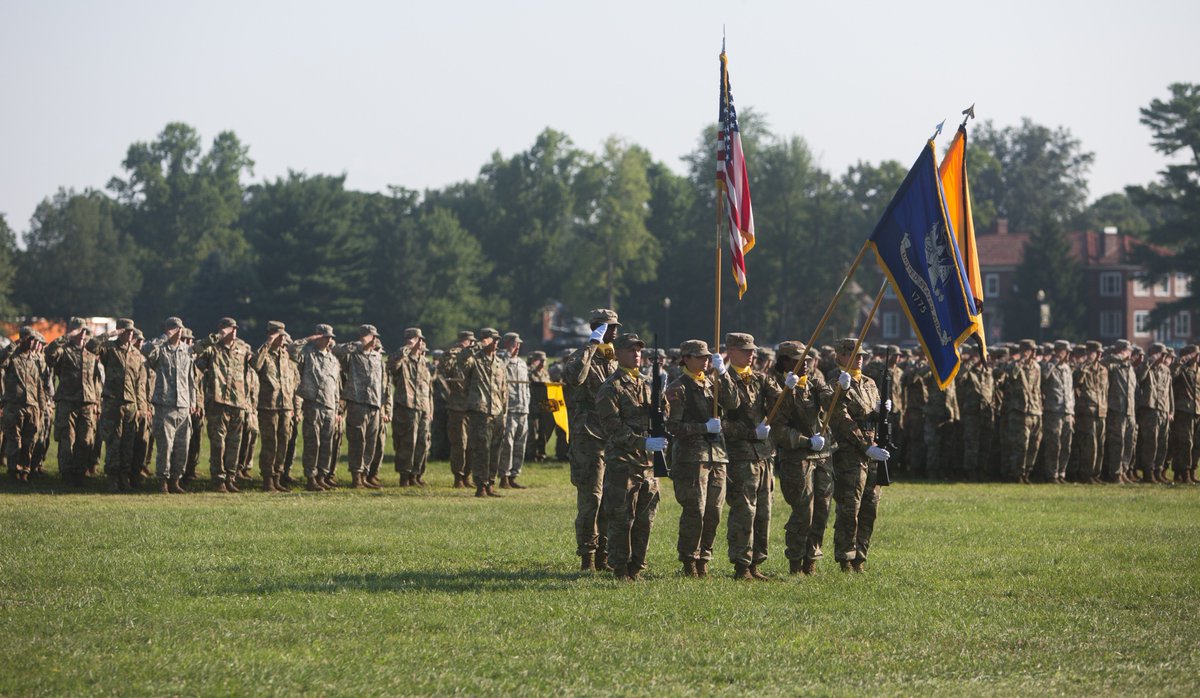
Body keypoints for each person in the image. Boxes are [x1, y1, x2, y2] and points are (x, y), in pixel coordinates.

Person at [664, 339, 738, 578]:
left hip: (717, 456)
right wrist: (702, 428)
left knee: (714, 512)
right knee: (695, 509)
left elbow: (734, 402)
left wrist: (724, 373)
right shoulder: (678, 388)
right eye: (700, 357)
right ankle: (689, 560)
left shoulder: (713, 384)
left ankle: (704, 557)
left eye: (708, 357)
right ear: (686, 358)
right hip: (691, 458)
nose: (706, 361)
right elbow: (673, 426)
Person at [596, 333, 665, 581]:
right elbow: (612, 427)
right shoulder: (610, 387)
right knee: (622, 518)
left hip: (647, 463)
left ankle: (637, 565)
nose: (637, 354)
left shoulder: (646, 383)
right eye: (631, 350)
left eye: (639, 350)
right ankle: (620, 567)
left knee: (645, 519)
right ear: (618, 353)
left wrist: (661, 398)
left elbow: (660, 414)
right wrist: (642, 441)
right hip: (623, 462)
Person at [561, 309, 621, 571]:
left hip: (611, 438)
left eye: (616, 325)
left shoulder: (613, 360)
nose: (615, 330)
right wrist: (591, 346)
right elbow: (575, 378)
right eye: (609, 326)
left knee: (610, 498)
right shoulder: (581, 356)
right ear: (597, 328)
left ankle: (603, 556)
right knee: (591, 499)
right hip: (588, 437)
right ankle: (587, 556)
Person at [768, 341, 834, 575]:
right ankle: (796, 561)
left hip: (822, 455)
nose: (805, 364)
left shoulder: (815, 379)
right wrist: (806, 441)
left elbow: (828, 399)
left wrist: (841, 389)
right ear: (784, 361)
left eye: (806, 360)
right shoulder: (774, 383)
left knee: (822, 510)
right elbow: (777, 428)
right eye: (798, 360)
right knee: (803, 511)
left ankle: (812, 559)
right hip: (797, 457)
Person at [721, 332, 781, 580]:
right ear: (731, 351)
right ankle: (741, 565)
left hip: (764, 455)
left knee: (764, 512)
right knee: (744, 511)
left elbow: (782, 403)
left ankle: (756, 562)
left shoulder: (760, 379)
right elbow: (726, 415)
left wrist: (790, 386)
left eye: (753, 350)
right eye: (746, 350)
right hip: (741, 455)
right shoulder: (721, 380)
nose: (752, 354)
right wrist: (750, 432)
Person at [827, 337, 889, 572]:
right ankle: (845, 557)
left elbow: (875, 415)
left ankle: (860, 557)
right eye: (854, 354)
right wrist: (865, 446)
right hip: (850, 453)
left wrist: (884, 410)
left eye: (862, 355)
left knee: (870, 507)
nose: (860, 358)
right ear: (841, 356)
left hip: (873, 452)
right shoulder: (836, 384)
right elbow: (841, 420)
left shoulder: (870, 383)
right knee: (849, 508)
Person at [88, 319, 150, 492]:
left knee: (128, 443)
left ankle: (125, 478)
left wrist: (141, 407)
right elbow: (91, 346)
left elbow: (140, 384)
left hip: (131, 404)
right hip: (113, 402)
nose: (130, 334)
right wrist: (110, 334)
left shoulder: (137, 355)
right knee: (114, 441)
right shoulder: (109, 348)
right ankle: (112, 479)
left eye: (132, 331)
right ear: (120, 331)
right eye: (127, 331)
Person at [193, 318, 253, 493]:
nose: (233, 331)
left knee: (234, 443)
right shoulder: (212, 348)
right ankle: (218, 479)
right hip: (217, 402)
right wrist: (217, 336)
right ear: (221, 329)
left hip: (238, 402)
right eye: (229, 328)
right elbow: (196, 352)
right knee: (218, 444)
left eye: (235, 328)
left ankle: (230, 478)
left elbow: (254, 366)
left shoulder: (243, 348)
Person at [141, 317, 198, 494]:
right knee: (165, 447)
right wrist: (164, 337)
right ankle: (163, 481)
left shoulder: (186, 351)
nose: (178, 330)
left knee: (183, 447)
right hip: (164, 404)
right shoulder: (160, 349)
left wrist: (193, 402)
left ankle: (175, 480)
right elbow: (146, 350)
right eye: (174, 327)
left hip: (183, 405)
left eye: (180, 327)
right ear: (166, 328)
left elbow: (190, 379)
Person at [44, 318, 102, 487]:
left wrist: (96, 402)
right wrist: (66, 336)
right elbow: (49, 353)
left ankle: (80, 472)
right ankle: (67, 473)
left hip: (87, 402)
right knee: (67, 439)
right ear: (72, 331)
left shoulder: (90, 352)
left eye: (85, 330)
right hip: (67, 401)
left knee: (85, 440)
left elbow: (96, 379)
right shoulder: (64, 350)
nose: (83, 334)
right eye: (79, 330)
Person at [334, 324, 391, 489]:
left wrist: (383, 405)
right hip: (357, 402)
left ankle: (365, 474)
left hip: (374, 404)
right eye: (372, 337)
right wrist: (358, 344)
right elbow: (336, 351)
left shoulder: (377, 357)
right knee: (357, 441)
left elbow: (382, 383)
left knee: (371, 442)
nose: (375, 340)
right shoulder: (352, 355)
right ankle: (356, 476)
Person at [290, 324, 342, 491]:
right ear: (318, 337)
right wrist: (308, 339)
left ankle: (322, 475)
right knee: (313, 443)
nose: (329, 340)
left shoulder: (333, 359)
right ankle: (311, 477)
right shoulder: (308, 354)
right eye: (326, 337)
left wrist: (336, 408)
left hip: (329, 407)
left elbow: (335, 386)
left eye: (331, 337)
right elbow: (292, 350)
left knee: (327, 444)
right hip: (313, 404)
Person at [252, 321, 299, 492]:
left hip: (285, 406)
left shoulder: (285, 356)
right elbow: (255, 365)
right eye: (278, 336)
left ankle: (277, 477)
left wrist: (293, 405)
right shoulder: (264, 354)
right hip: (268, 406)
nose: (282, 339)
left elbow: (292, 381)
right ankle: (267, 480)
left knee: (283, 443)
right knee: (270, 443)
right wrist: (267, 344)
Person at [463, 327, 508, 497]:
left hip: (497, 411)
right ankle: (480, 484)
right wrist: (477, 346)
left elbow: (504, 389)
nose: (496, 342)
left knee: (495, 449)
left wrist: (504, 411)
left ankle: (490, 482)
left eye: (497, 340)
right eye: (493, 339)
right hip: (480, 410)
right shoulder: (474, 359)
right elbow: (460, 362)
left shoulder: (499, 362)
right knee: (481, 448)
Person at [0, 327, 49, 483]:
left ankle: (25, 470)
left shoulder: (36, 359)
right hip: (14, 406)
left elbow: (40, 385)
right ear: (23, 339)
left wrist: (41, 407)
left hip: (32, 406)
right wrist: (14, 345)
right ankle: (14, 470)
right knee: (15, 440)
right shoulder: (12, 357)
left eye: (34, 340)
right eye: (30, 339)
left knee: (29, 441)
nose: (33, 343)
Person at [390, 327, 433, 487]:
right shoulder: (403, 360)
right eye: (417, 339)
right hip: (406, 407)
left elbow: (428, 389)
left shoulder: (424, 362)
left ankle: (416, 474)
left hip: (423, 408)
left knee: (423, 442)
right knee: (407, 442)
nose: (420, 342)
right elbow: (391, 366)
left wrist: (430, 410)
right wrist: (406, 349)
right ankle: (405, 475)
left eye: (421, 339)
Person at [1003, 339, 1043, 484]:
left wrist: (1039, 407)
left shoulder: (1037, 367)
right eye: (1031, 350)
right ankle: (1016, 473)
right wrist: (1020, 363)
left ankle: (1027, 471)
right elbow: (1011, 376)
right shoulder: (1014, 366)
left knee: (1034, 444)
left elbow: (1037, 389)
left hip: (1035, 410)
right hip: (1020, 410)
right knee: (1021, 444)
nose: (1033, 353)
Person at [440, 331, 476, 487]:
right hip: (458, 406)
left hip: (472, 406)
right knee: (459, 444)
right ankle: (458, 477)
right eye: (471, 342)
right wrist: (462, 352)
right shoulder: (451, 354)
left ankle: (468, 475)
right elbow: (447, 368)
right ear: (464, 341)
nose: (473, 344)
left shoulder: (474, 356)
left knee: (472, 444)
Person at [1071, 340, 1109, 484]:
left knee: (1100, 445)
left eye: (1100, 353)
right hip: (1087, 411)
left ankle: (1095, 474)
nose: (1099, 356)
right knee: (1089, 445)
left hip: (1101, 411)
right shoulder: (1081, 369)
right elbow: (1076, 385)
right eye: (1096, 353)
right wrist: (1084, 368)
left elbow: (1105, 391)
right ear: (1089, 353)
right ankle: (1086, 474)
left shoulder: (1103, 370)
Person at [1136, 343, 1173, 483]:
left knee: (1162, 442)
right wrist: (1148, 363)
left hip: (1163, 409)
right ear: (1152, 353)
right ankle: (1148, 472)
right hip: (1149, 409)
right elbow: (1140, 378)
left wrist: (1171, 410)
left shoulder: (1166, 370)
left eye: (1164, 354)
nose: (1162, 357)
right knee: (1150, 442)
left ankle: (1158, 470)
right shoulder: (1145, 367)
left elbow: (1169, 393)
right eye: (1160, 354)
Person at [957, 345, 995, 482]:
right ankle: (970, 472)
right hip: (972, 413)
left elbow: (992, 392)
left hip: (986, 413)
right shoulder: (968, 371)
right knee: (971, 444)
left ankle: (982, 470)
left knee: (985, 444)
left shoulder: (988, 371)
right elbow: (959, 380)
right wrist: (969, 364)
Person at [1040, 340, 1075, 483]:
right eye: (1066, 351)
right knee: (1053, 444)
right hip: (1053, 412)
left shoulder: (1067, 369)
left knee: (1066, 445)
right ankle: (1051, 474)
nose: (1068, 355)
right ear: (1060, 351)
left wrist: (1072, 413)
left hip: (1067, 412)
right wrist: (1054, 362)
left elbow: (1070, 392)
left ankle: (1061, 473)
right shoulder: (1048, 366)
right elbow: (1043, 378)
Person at [498, 332, 530, 489]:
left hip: (523, 409)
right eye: (513, 344)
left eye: (518, 344)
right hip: (509, 409)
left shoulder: (523, 364)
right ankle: (504, 475)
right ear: (506, 344)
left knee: (520, 444)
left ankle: (514, 475)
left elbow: (526, 387)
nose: (517, 347)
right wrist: (507, 355)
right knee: (507, 444)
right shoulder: (502, 361)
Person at [1104, 340, 1137, 484]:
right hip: (1117, 410)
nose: (1129, 354)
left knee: (1129, 443)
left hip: (1130, 411)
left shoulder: (1130, 368)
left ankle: (1124, 471)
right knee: (1117, 443)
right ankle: (1115, 473)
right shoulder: (1112, 365)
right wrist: (1117, 357)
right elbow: (1102, 363)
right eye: (1127, 351)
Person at [1170, 344, 1199, 483]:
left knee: (1196, 443)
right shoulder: (1181, 369)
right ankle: (1184, 472)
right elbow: (1171, 375)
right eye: (1195, 353)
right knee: (1185, 442)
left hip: (1197, 410)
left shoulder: (1198, 370)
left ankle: (1192, 470)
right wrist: (1181, 360)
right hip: (1184, 410)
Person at [526, 350, 552, 462]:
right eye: (540, 360)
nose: (543, 363)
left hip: (544, 407)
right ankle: (531, 454)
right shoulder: (530, 373)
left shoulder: (545, 373)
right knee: (532, 432)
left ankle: (541, 453)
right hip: (533, 406)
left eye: (544, 360)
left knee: (543, 432)